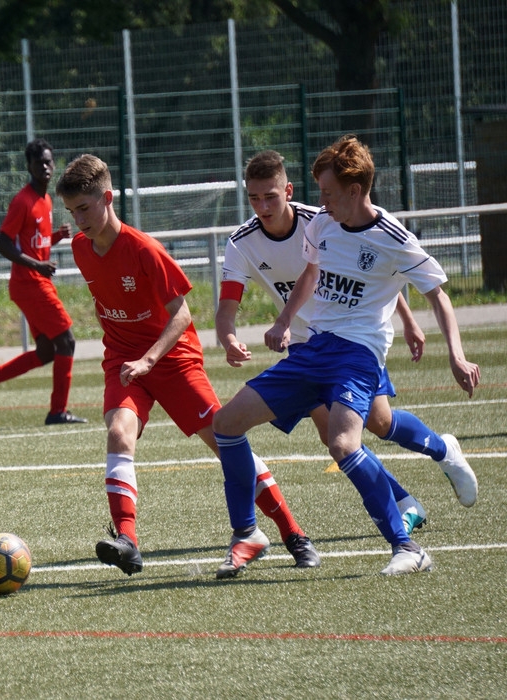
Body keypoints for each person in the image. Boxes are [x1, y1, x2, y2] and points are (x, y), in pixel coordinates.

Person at [212, 135, 480, 578]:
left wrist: (456, 355)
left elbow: (438, 295)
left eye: (328, 193)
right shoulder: (322, 224)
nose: (321, 202)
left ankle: (407, 547)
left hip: (359, 353)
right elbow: (312, 274)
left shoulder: (392, 236)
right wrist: (283, 321)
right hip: (313, 347)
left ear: (354, 191)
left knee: (343, 442)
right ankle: (247, 533)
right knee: (226, 423)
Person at [55, 154, 320, 576]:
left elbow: (181, 315)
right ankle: (127, 541)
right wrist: (134, 358)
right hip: (124, 363)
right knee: (119, 432)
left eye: (84, 208)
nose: (79, 220)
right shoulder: (80, 249)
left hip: (173, 360)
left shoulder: (144, 249)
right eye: (71, 212)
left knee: (225, 442)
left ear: (107, 198)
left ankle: (293, 533)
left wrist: (149, 358)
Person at [0, 138, 87, 425]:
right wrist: (37, 265)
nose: (45, 167)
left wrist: (56, 237)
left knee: (47, 351)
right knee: (67, 342)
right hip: (29, 283)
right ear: (29, 167)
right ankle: (57, 411)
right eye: (39, 163)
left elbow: (35, 244)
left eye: (48, 162)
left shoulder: (46, 199)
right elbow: (3, 243)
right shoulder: (23, 201)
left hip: (34, 282)